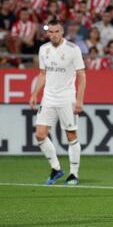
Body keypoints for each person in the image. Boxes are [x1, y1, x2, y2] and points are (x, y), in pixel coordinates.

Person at [29, 19, 86, 185]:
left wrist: (79, 100)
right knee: (40, 135)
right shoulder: (43, 49)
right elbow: (42, 73)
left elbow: (82, 76)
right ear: (47, 33)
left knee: (71, 135)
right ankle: (56, 168)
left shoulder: (72, 50)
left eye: (57, 31)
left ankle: (74, 173)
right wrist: (34, 94)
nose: (53, 35)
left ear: (62, 32)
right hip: (48, 97)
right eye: (51, 32)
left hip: (67, 97)